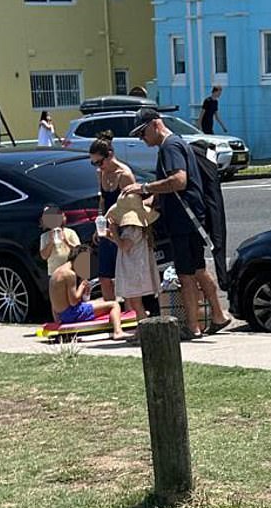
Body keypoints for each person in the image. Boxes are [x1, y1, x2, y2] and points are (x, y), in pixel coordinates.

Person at [121, 108, 231, 340]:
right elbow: (174, 186)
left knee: (185, 274)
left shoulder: (170, 146)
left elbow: (179, 181)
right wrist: (151, 200)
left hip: (184, 221)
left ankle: (192, 327)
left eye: (143, 133)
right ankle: (219, 315)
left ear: (155, 124)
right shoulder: (177, 144)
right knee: (199, 269)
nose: (142, 139)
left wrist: (145, 188)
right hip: (191, 219)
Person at [89, 131, 136, 301]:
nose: (98, 166)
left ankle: (131, 312)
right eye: (94, 163)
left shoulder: (124, 175)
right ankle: (111, 309)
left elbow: (133, 206)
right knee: (104, 276)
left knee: (125, 275)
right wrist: (99, 223)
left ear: (110, 155)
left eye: (100, 162)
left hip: (123, 227)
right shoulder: (101, 173)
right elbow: (102, 200)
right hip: (107, 228)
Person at [49, 244, 127, 339]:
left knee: (100, 302)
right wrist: (82, 287)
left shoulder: (56, 272)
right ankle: (117, 331)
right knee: (114, 304)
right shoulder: (70, 274)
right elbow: (73, 302)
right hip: (71, 314)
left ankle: (112, 328)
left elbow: (54, 301)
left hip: (61, 315)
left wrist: (57, 320)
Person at [105, 194, 160, 323]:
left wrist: (114, 233)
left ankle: (143, 329)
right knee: (136, 303)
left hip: (134, 269)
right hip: (137, 267)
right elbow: (124, 243)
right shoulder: (138, 228)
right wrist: (111, 236)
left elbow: (124, 246)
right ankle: (140, 329)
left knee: (136, 303)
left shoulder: (132, 229)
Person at [39, 204, 81, 276]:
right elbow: (44, 256)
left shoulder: (70, 232)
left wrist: (66, 242)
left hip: (70, 271)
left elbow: (79, 251)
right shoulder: (44, 236)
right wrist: (51, 242)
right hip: (54, 273)